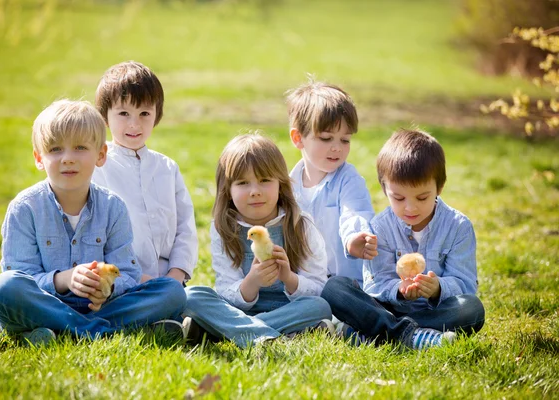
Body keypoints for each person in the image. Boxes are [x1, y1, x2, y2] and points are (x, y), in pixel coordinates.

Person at [0, 100, 186, 345]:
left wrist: (107, 288)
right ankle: (104, 329)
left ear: (101, 155)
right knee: (5, 288)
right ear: (39, 158)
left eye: (80, 148)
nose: (68, 158)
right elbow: (20, 274)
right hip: (44, 303)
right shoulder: (25, 208)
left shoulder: (113, 207)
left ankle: (61, 331)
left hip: (99, 306)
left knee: (171, 291)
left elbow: (128, 272)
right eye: (55, 149)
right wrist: (64, 279)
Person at [321, 128, 485, 349]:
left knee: (471, 309)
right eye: (398, 198)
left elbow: (465, 284)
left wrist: (437, 288)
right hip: (390, 307)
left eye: (422, 197)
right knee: (334, 288)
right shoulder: (380, 227)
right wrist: (399, 290)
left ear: (439, 187)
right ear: (385, 189)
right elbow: (375, 284)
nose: (410, 207)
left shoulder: (458, 227)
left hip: (435, 310)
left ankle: (374, 333)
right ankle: (413, 337)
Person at [183, 134, 333, 348]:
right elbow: (225, 288)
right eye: (243, 183)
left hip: (289, 309)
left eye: (264, 180)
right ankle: (272, 334)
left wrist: (289, 278)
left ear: (280, 184)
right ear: (228, 190)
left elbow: (318, 286)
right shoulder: (223, 228)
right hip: (238, 310)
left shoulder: (301, 224)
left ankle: (225, 332)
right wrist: (251, 282)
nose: (255, 192)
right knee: (191, 296)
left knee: (319, 306)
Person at [92, 61, 198, 335]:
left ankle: (166, 320)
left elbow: (186, 227)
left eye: (144, 113)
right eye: (124, 113)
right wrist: (136, 277)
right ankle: (161, 320)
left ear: (157, 116)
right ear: (105, 116)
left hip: (169, 281)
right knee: (132, 299)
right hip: (123, 282)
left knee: (200, 297)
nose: (134, 124)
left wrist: (176, 275)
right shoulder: (97, 168)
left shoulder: (167, 168)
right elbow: (96, 235)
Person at [286, 79, 377, 285]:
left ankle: (370, 316)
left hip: (346, 283)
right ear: (298, 138)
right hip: (304, 284)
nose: (337, 147)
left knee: (336, 290)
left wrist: (355, 238)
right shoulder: (287, 187)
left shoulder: (348, 180)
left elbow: (354, 212)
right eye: (326, 139)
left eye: (345, 140)